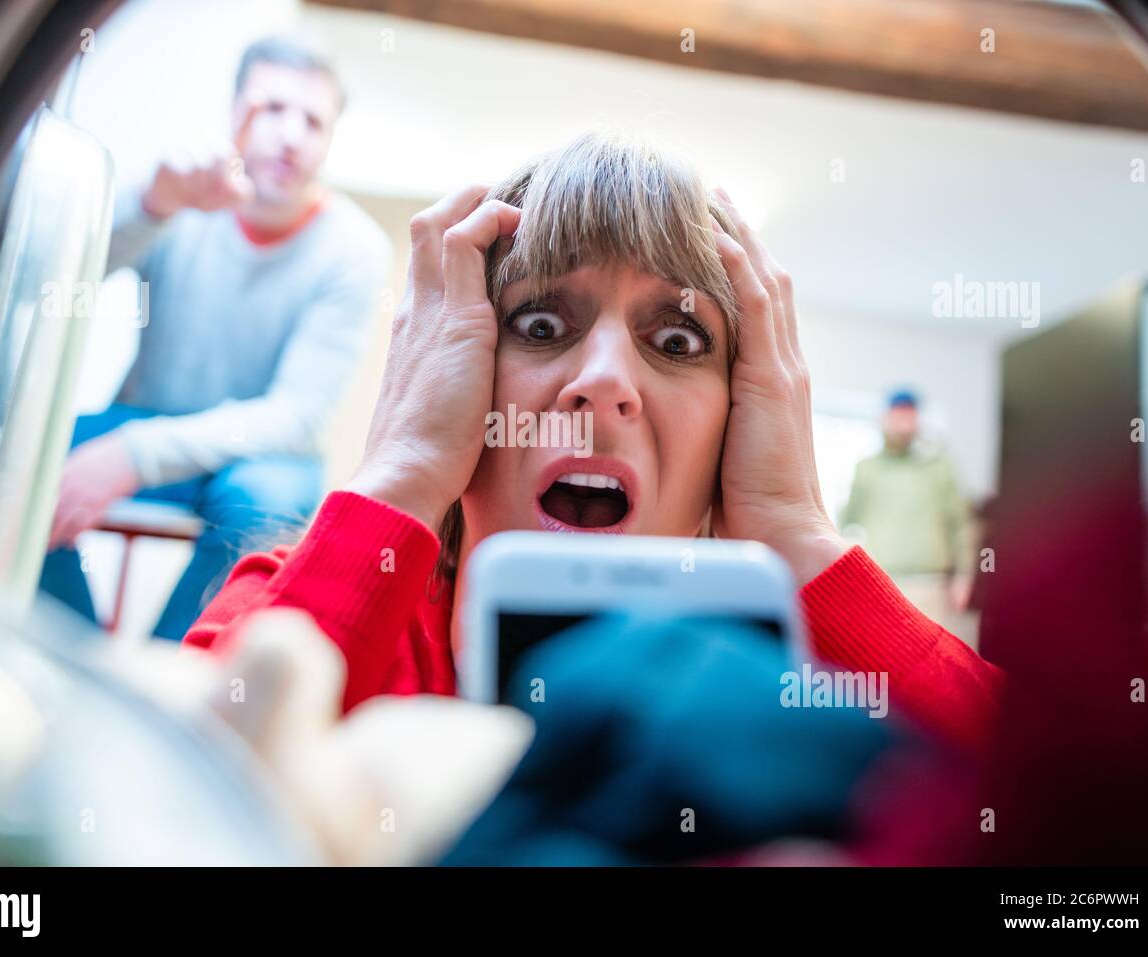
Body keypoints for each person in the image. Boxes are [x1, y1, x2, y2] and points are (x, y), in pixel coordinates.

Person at [183, 131, 1002, 752]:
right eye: (540, 324)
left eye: (677, 341)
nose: (605, 380)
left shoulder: (791, 679)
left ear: (739, 418)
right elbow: (165, 802)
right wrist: (402, 469)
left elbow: (1066, 824)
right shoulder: (285, 610)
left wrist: (793, 525)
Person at [39, 37, 391, 639]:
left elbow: (295, 416)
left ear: (330, 139)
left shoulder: (354, 250)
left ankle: (170, 681)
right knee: (10, 459)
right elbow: (57, 278)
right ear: (235, 115)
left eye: (313, 120)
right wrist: (154, 204)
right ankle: (73, 655)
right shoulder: (182, 198)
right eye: (273, 109)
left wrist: (135, 453)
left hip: (255, 458)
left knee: (269, 504)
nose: (291, 135)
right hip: (153, 419)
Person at [840, 390, 976, 640]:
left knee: (933, 662)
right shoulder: (866, 469)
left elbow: (962, 526)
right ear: (884, 418)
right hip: (880, 583)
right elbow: (845, 522)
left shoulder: (940, 466)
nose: (903, 423)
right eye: (897, 416)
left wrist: (964, 578)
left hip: (930, 586)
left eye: (909, 416)